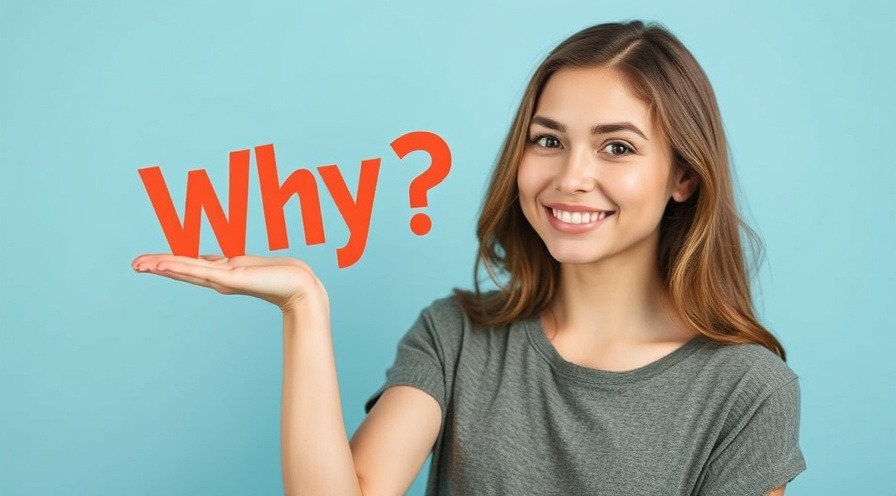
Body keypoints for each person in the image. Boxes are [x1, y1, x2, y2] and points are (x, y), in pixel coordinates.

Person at [131, 20, 805, 496]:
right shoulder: (456, 337)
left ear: (684, 176)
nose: (571, 177)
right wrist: (303, 302)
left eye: (616, 147)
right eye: (548, 140)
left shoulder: (745, 390)